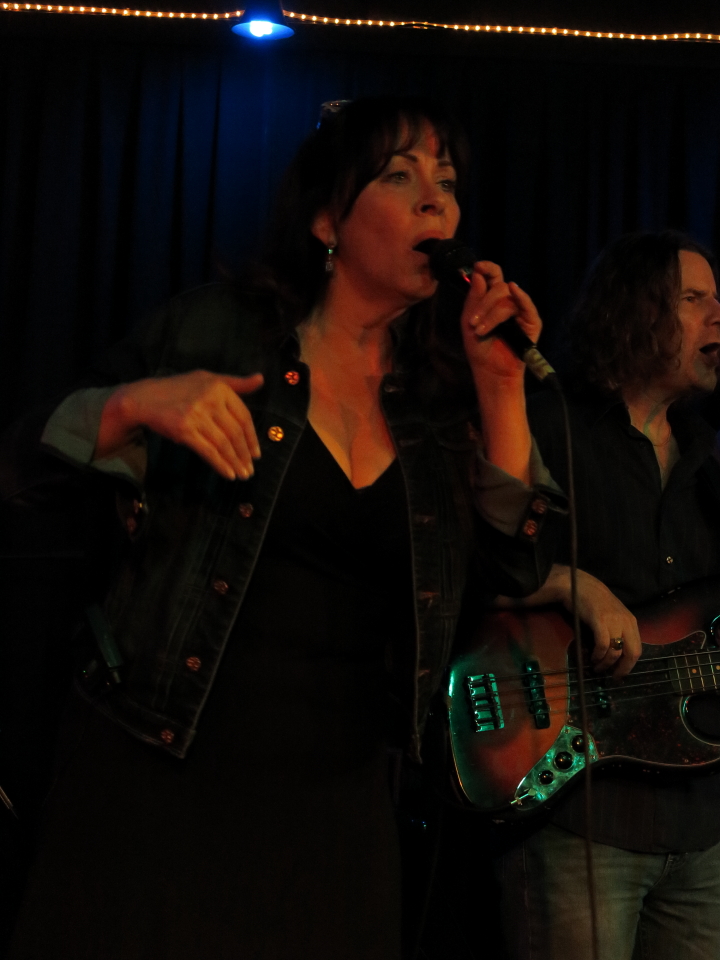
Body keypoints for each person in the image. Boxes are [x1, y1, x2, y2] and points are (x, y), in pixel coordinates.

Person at [0, 96, 562, 960]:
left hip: (337, 803)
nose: (435, 201)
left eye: (447, 184)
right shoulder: (217, 330)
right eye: (400, 176)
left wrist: (500, 389)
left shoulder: (443, 400)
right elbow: (25, 471)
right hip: (163, 770)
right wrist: (135, 405)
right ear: (328, 221)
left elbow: (511, 569)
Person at [494, 230, 720, 960]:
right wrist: (571, 583)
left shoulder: (710, 463)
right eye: (694, 299)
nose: (717, 316)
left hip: (702, 831)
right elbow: (471, 565)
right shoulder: (550, 425)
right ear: (637, 310)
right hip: (579, 819)